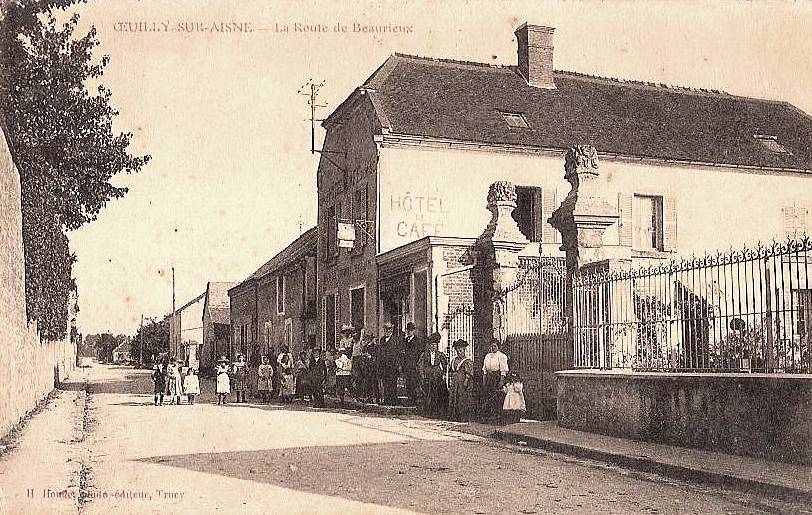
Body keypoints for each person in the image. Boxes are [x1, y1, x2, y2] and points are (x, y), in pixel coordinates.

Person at [418, 332, 448, 418]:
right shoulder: (424, 354)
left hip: (437, 375)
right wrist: (422, 374)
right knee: (428, 394)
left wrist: (443, 374)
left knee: (437, 394)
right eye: (431, 345)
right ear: (429, 346)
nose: (433, 347)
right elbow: (420, 365)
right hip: (428, 375)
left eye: (435, 345)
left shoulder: (440, 354)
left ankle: (438, 413)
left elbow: (445, 364)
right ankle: (428, 412)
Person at [481, 338, 509, 419]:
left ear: (498, 347)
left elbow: (503, 370)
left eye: (494, 346)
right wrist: (484, 380)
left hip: (497, 378)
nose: (493, 348)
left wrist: (501, 380)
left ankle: (497, 414)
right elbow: (485, 370)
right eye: (491, 346)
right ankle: (489, 414)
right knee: (488, 395)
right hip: (489, 378)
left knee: (497, 396)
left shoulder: (502, 356)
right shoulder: (487, 356)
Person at [377, 322, 402, 405]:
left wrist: (398, 365)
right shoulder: (382, 339)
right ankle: (387, 400)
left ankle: (393, 400)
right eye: (385, 329)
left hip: (392, 366)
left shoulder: (396, 340)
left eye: (389, 329)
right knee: (385, 383)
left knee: (392, 383)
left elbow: (398, 354)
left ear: (392, 330)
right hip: (383, 366)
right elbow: (380, 353)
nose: (387, 331)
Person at [449, 339, 474, 422]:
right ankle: (453, 415)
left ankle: (462, 416)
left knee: (461, 397)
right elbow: (450, 371)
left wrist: (466, 380)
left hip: (462, 381)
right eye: (457, 350)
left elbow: (469, 373)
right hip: (454, 381)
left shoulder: (467, 361)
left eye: (460, 350)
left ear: (464, 350)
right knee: (454, 397)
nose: (459, 352)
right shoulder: (454, 360)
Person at [402, 322, 424, 407]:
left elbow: (419, 354)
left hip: (414, 366)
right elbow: (403, 353)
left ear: (414, 331)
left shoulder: (418, 341)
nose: (409, 332)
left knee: (414, 383)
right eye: (408, 330)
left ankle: (414, 400)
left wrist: (417, 365)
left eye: (411, 330)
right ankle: (409, 399)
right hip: (407, 366)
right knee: (408, 383)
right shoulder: (405, 341)